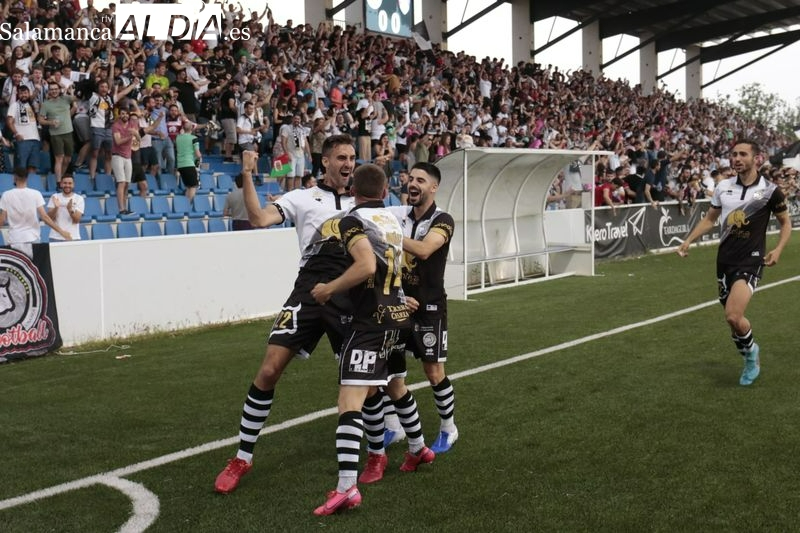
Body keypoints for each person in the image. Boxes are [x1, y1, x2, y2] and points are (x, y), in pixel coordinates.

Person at [213, 135, 357, 495]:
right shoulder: (302, 197)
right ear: (324, 161)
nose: (348, 163)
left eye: (352, 157)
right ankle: (242, 457)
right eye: (341, 157)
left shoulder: (366, 201)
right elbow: (260, 218)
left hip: (350, 295)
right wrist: (248, 174)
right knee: (268, 369)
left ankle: (381, 444)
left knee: (361, 385)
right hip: (307, 293)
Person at [309, 163, 419, 516]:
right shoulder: (392, 221)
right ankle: (417, 448)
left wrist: (329, 288)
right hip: (396, 317)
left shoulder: (350, 221)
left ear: (352, 191)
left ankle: (346, 487)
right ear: (385, 191)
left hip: (370, 320)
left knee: (350, 400)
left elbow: (367, 267)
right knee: (395, 386)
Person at [677, 140, 792, 386]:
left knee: (733, 315)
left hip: (751, 261)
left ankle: (752, 357)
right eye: (733, 154)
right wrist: (688, 241)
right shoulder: (723, 187)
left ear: (756, 158)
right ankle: (748, 351)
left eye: (742, 154)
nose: (737, 158)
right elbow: (710, 219)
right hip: (724, 261)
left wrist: (778, 249)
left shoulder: (771, 191)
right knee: (734, 323)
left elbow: (786, 223)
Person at [0, 167, 72, 247]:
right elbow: (45, 217)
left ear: (14, 178)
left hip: (15, 239)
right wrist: (62, 232)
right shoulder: (36, 194)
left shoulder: (6, 195)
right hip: (32, 237)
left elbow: (2, 220)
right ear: (27, 178)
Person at [39, 82, 75, 183]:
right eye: (51, 89)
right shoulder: (46, 104)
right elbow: (40, 120)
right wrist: (50, 122)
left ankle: (62, 178)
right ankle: (58, 182)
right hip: (55, 134)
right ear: (49, 91)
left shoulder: (66, 99)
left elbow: (76, 99)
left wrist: (70, 90)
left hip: (68, 132)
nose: (54, 91)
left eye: (56, 89)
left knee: (68, 159)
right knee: (59, 158)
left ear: (59, 90)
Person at [110, 105, 139, 215]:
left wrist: (135, 134)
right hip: (117, 156)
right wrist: (130, 136)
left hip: (128, 156)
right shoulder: (116, 126)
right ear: (119, 115)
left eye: (126, 114)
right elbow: (117, 141)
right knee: (121, 182)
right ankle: (121, 209)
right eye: (122, 113)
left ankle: (125, 208)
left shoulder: (132, 124)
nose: (125, 115)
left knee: (127, 183)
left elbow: (138, 140)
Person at [5, 85, 40, 171]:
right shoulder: (14, 105)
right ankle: (19, 184)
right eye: (21, 93)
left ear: (29, 94)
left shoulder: (33, 105)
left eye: (25, 93)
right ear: (18, 94)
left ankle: (31, 184)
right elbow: (9, 121)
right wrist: (16, 133)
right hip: (23, 140)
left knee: (33, 167)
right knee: (21, 167)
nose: (23, 95)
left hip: (35, 140)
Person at [46, 172, 84, 240]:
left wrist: (70, 210)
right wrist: (56, 208)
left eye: (70, 183)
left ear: (73, 185)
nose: (67, 185)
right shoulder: (55, 196)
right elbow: (50, 218)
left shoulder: (79, 198)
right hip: (55, 237)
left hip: (73, 237)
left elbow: (77, 220)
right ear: (61, 184)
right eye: (65, 183)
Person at [175, 122, 201, 201]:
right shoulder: (194, 138)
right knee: (193, 187)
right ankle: (188, 206)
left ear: (183, 128)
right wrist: (199, 158)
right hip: (189, 164)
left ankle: (185, 206)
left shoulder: (178, 137)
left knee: (188, 187)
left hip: (180, 165)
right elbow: (198, 154)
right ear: (192, 129)